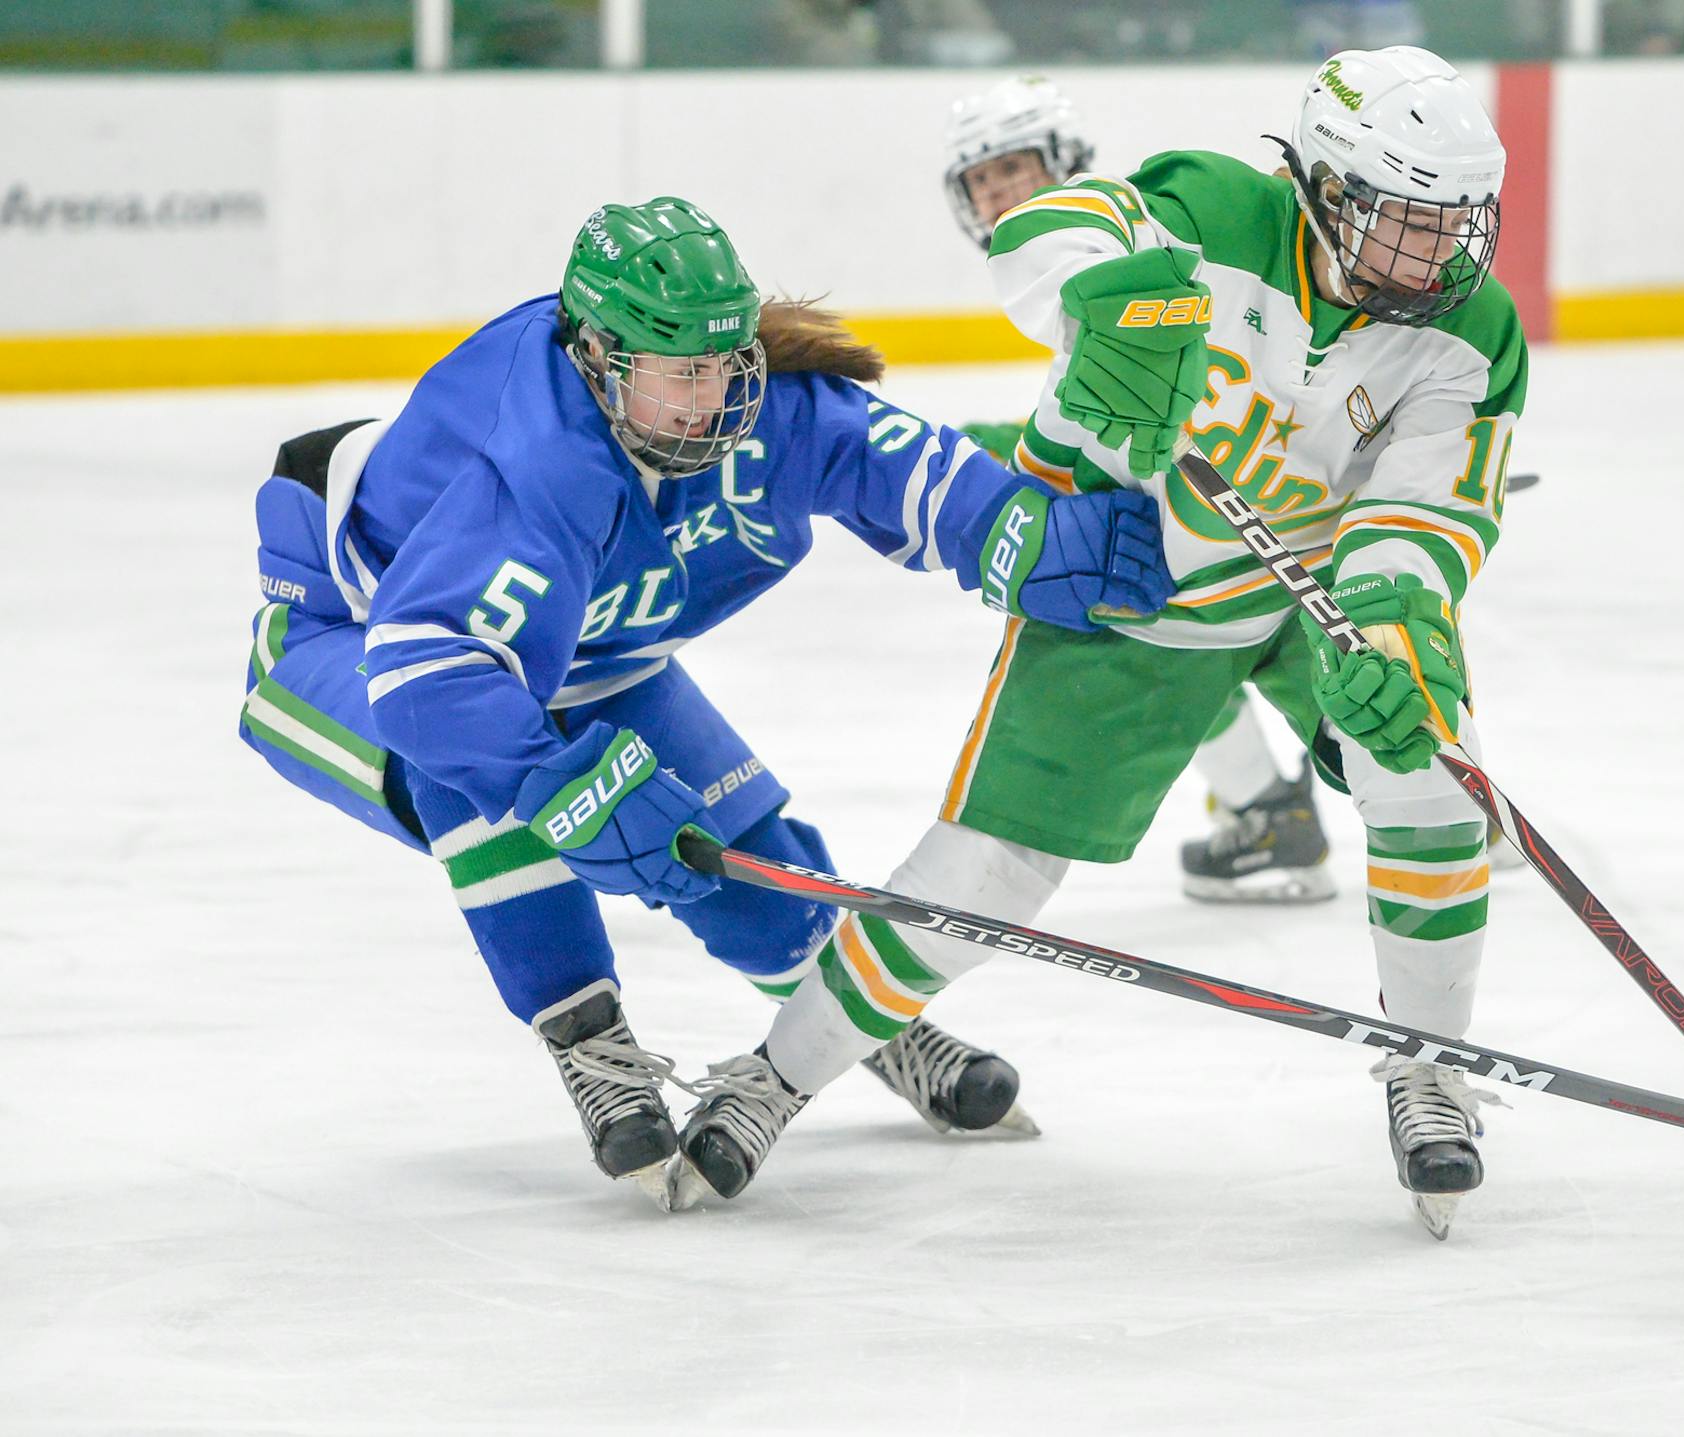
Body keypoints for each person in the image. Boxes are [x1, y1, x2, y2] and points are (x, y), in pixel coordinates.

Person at [682, 48, 1526, 1240]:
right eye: (1411, 224)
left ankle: (1431, 1068)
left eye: (1459, 225)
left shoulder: (1468, 330)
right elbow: (1052, 232)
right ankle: (771, 1077)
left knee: (1430, 772)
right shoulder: (1215, 207)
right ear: (1330, 190)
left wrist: (1391, 625)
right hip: (1136, 572)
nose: (1444, 257)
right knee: (988, 875)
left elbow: (1428, 506)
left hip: (1320, 584)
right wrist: (1121, 299)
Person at [236, 197, 1174, 1207]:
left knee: (744, 850)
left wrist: (1020, 537)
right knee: (485, 785)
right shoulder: (532, 463)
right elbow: (434, 681)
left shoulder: (754, 409)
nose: (710, 399)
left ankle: (867, 1025)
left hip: (589, 657)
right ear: (598, 357)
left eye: (725, 363)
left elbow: (895, 465)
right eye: (679, 374)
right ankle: (590, 1044)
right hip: (353, 644)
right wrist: (561, 780)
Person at [942, 73, 1336, 906]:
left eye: (1013, 168)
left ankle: (1438, 813)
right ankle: (1282, 808)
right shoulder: (1060, 264)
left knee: (1289, 647)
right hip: (1224, 517)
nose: (998, 192)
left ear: (1065, 156)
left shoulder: (1140, 240)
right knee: (1170, 622)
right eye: (982, 180)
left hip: (1262, 511)